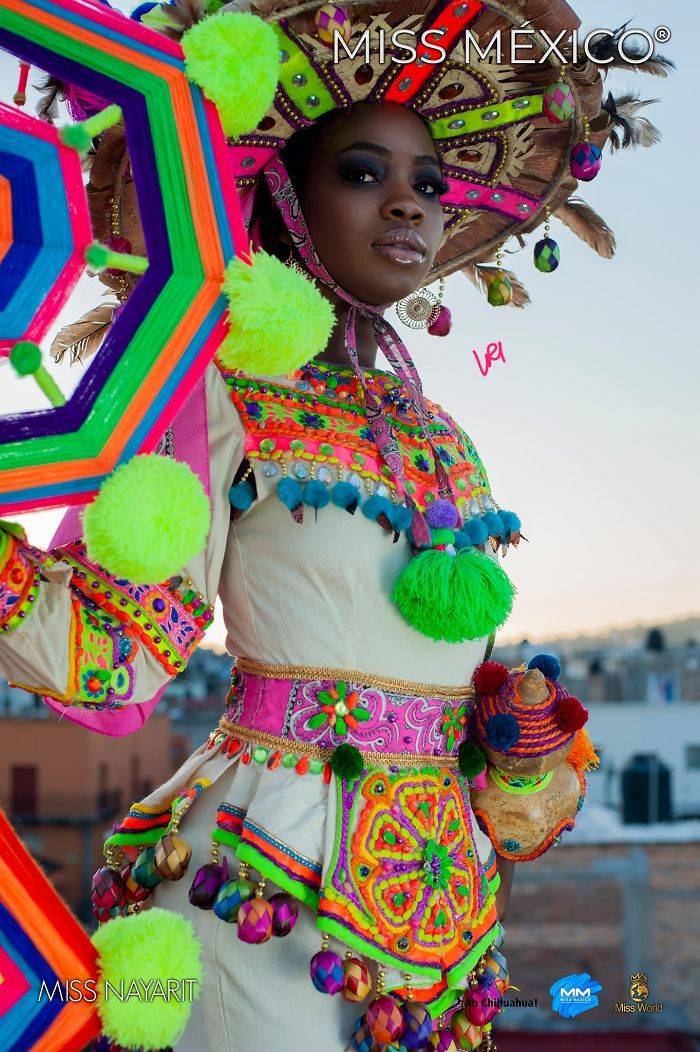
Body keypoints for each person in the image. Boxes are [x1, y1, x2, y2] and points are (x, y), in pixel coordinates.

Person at [0, 0, 644, 1047]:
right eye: (362, 172)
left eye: (429, 186)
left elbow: (450, 667)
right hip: (257, 893)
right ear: (282, 196)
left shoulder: (441, 433)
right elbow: (115, 652)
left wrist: (512, 734)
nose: (407, 206)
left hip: (445, 909)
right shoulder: (213, 393)